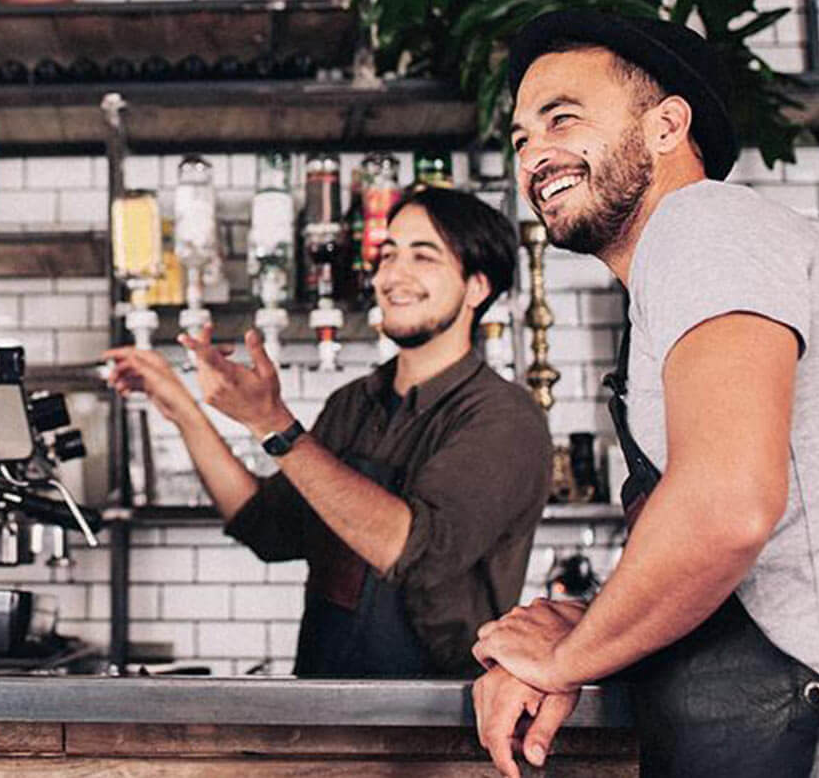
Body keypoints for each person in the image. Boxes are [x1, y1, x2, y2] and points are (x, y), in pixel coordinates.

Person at [470, 9, 819, 777]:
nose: (534, 156)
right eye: (521, 140)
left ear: (665, 125)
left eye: (563, 120)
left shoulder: (702, 223)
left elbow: (727, 507)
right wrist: (592, 625)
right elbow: (748, 574)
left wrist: (563, 658)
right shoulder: (677, 277)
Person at [106, 186, 551, 677]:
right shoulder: (353, 403)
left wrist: (272, 423)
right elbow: (267, 528)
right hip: (327, 699)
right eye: (388, 254)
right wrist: (184, 410)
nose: (393, 275)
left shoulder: (502, 417)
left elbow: (407, 549)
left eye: (423, 257)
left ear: (477, 287)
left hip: (437, 721)